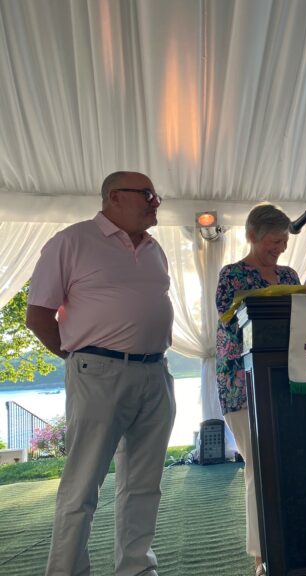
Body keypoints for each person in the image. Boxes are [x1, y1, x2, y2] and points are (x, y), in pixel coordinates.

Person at [26, 171, 175, 576]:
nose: (155, 201)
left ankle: (136, 568)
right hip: (97, 372)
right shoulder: (72, 241)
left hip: (155, 373)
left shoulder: (154, 249)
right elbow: (37, 314)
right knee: (82, 485)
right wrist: (80, 358)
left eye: (155, 194)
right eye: (147, 193)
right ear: (114, 197)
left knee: (144, 484)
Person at [215, 203, 301, 571]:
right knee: (259, 469)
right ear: (251, 235)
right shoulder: (232, 276)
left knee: (289, 467)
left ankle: (293, 542)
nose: (279, 248)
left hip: (291, 381)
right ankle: (262, 554)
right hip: (243, 383)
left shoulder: (290, 274)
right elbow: (229, 329)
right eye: (272, 240)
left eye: (283, 241)